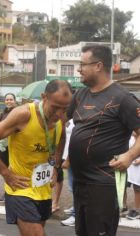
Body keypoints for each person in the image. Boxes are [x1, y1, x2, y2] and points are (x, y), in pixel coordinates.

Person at [0, 80, 72, 235]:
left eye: (65, 108)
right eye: (55, 107)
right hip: (20, 190)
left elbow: (61, 139)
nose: (59, 114)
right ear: (44, 97)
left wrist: (55, 166)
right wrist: (6, 174)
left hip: (43, 189)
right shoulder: (24, 115)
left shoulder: (60, 118)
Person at [67, 45, 140, 236]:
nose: (78, 69)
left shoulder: (123, 98)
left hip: (104, 183)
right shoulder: (80, 95)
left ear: (98, 66)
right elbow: (59, 120)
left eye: (82, 64)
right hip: (80, 181)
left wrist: (130, 156)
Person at [0, 93, 17, 202]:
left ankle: (12, 192)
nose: (9, 101)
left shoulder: (18, 112)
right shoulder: (2, 113)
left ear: (15, 101)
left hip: (14, 146)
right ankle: (7, 191)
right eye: (7, 99)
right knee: (4, 169)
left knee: (13, 169)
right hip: (3, 146)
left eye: (11, 99)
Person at [60, 119, 76, 227]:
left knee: (77, 187)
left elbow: (77, 141)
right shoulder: (71, 118)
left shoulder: (83, 117)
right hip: (67, 156)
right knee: (72, 187)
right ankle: (75, 207)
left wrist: (69, 159)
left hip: (75, 157)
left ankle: (76, 216)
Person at [126, 133, 140, 220]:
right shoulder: (130, 138)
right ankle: (122, 207)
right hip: (129, 167)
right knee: (122, 186)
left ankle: (137, 210)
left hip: (138, 169)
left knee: (137, 188)